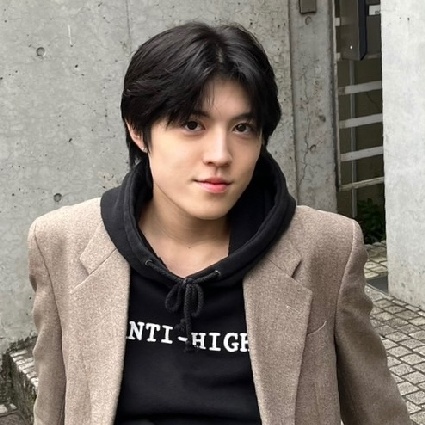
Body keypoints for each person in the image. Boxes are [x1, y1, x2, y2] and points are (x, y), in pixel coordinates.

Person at [28, 22, 410, 425]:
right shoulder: (61, 243)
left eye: (242, 128)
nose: (220, 154)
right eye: (192, 125)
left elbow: (378, 410)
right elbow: (52, 408)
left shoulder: (327, 248)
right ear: (138, 130)